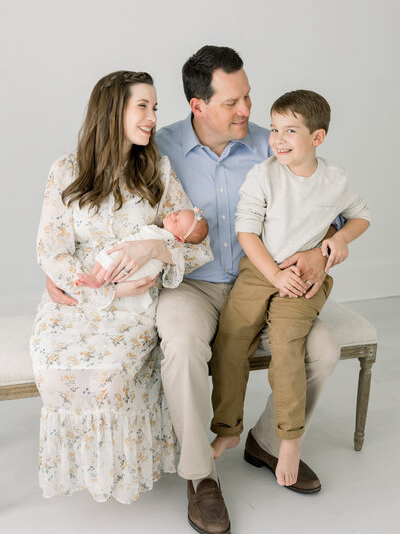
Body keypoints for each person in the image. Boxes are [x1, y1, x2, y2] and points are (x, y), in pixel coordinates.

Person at [47, 47, 342, 534]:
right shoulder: (155, 150)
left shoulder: (273, 146)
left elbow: (325, 204)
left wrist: (327, 249)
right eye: (232, 102)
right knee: (183, 348)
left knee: (325, 349)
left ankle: (267, 441)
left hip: (263, 282)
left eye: (247, 97)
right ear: (197, 106)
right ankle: (199, 475)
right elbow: (97, 203)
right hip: (190, 285)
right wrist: (65, 268)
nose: (246, 110)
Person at [31, 70, 212, 504]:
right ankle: (89, 469)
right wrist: (97, 290)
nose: (152, 118)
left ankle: (128, 470)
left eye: (155, 108)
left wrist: (155, 247)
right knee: (57, 370)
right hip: (75, 301)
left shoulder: (157, 172)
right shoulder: (67, 171)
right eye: (143, 107)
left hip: (135, 306)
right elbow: (51, 251)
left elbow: (195, 246)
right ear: (113, 110)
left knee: (112, 375)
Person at [210, 89, 370, 488]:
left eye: (290, 131)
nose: (278, 138)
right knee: (230, 337)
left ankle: (289, 439)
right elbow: (246, 230)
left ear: (317, 138)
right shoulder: (264, 174)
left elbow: (361, 216)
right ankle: (228, 426)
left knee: (286, 344)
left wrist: (337, 242)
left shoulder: (335, 180)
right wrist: (273, 275)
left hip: (304, 279)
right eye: (275, 128)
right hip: (260, 270)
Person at [76, 208, 208, 315]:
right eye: (178, 213)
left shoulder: (167, 241)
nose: (173, 215)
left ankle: (97, 280)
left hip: (140, 268)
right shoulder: (161, 232)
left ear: (179, 239)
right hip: (134, 264)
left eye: (177, 221)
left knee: (111, 256)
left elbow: (185, 256)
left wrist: (153, 248)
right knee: (108, 254)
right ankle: (96, 278)